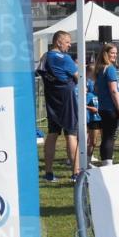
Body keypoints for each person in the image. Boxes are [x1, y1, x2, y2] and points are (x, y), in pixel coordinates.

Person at [37, 30, 81, 182]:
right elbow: (78, 77)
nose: (69, 45)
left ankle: (48, 173)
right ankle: (76, 173)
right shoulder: (66, 59)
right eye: (68, 42)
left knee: (52, 133)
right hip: (66, 99)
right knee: (71, 134)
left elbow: (41, 73)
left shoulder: (44, 57)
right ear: (58, 41)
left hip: (51, 99)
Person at [93, 43, 119, 166]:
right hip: (110, 108)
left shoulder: (100, 69)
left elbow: (97, 89)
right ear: (105, 54)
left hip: (103, 107)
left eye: (116, 53)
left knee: (106, 136)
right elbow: (113, 91)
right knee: (109, 137)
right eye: (112, 53)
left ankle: (105, 161)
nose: (115, 55)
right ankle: (108, 164)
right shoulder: (110, 68)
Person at [85, 70, 101, 163]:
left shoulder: (102, 95)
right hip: (93, 120)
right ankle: (87, 160)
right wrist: (91, 108)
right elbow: (83, 104)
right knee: (92, 141)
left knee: (101, 140)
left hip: (102, 119)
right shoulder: (90, 95)